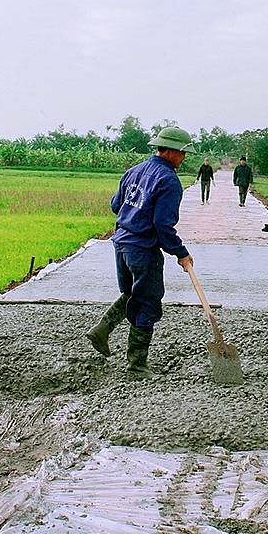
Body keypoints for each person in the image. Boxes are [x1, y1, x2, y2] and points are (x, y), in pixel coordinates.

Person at [85, 126, 195, 379]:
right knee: (147, 301)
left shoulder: (133, 171)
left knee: (131, 294)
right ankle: (137, 366)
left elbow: (116, 205)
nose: (184, 158)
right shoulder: (168, 180)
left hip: (121, 244)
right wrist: (180, 252)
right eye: (183, 153)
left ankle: (102, 329)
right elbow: (162, 225)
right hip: (143, 250)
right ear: (172, 152)